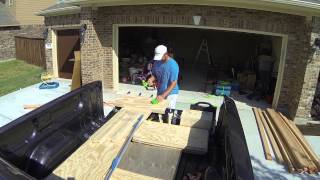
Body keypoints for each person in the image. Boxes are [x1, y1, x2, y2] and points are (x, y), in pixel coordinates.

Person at [152, 45, 179, 109]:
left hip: (171, 93)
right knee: (157, 110)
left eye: (160, 56)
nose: (159, 59)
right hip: (160, 91)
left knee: (168, 113)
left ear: (166, 54)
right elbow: (154, 74)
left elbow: (173, 83)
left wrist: (163, 96)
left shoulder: (173, 65)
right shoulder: (156, 62)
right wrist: (151, 79)